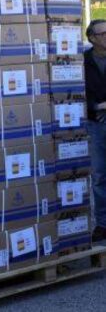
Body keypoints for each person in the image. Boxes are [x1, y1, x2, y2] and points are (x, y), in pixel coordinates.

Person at [86, 19, 106, 241]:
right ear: (92, 38)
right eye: (103, 33)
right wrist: (97, 106)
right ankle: (102, 223)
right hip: (96, 123)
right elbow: (77, 91)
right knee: (100, 175)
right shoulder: (83, 62)